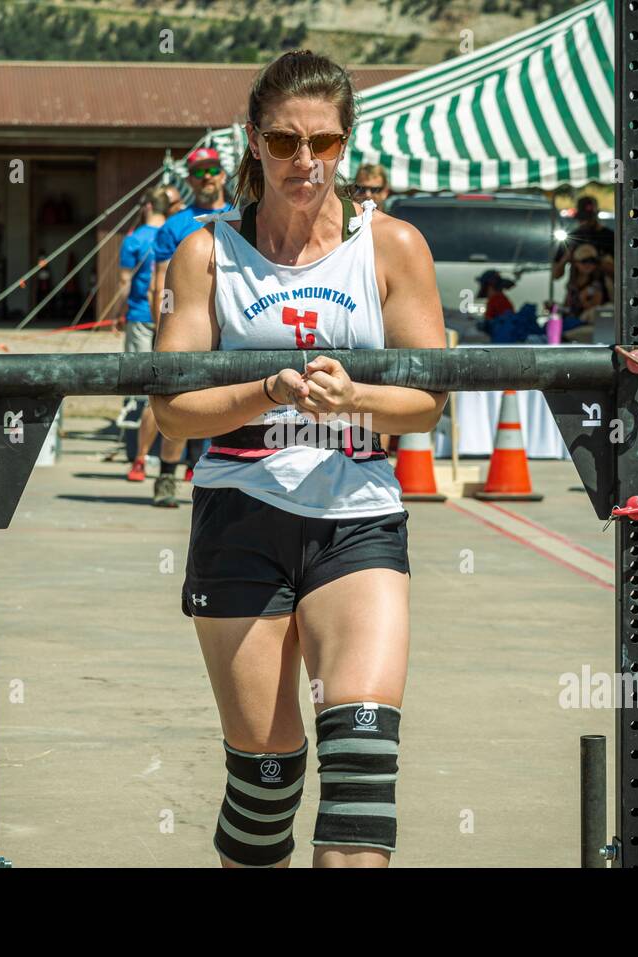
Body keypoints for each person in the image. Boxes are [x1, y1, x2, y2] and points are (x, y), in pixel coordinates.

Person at [149, 49, 447, 869]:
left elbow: (428, 398)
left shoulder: (393, 249)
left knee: (361, 767)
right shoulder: (206, 255)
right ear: (253, 141)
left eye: (323, 141)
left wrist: (350, 398)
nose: (304, 163)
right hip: (241, 513)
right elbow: (171, 411)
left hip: (357, 517)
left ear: (347, 142)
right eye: (283, 142)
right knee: (265, 780)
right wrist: (269, 392)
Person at [146, 147, 234, 506]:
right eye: (198, 172)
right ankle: (167, 476)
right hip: (189, 323)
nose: (206, 177)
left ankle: (221, 481)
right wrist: (162, 326)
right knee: (182, 406)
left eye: (212, 170)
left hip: (231, 324)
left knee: (229, 408)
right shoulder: (176, 225)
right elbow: (159, 280)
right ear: (188, 180)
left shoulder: (241, 216)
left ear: (223, 174)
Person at [117, 186, 172, 482]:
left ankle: (136, 451)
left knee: (137, 382)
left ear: (148, 206)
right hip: (168, 317)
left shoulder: (134, 240)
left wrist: (119, 313)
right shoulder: (176, 234)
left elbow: (125, 283)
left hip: (139, 314)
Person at [552, 194, 614, 281]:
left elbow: (620, 273)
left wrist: (598, 261)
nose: (585, 222)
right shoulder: (572, 237)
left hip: (604, 292)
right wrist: (565, 259)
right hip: (577, 292)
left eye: (588, 218)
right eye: (582, 218)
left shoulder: (609, 237)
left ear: (596, 215)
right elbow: (555, 275)